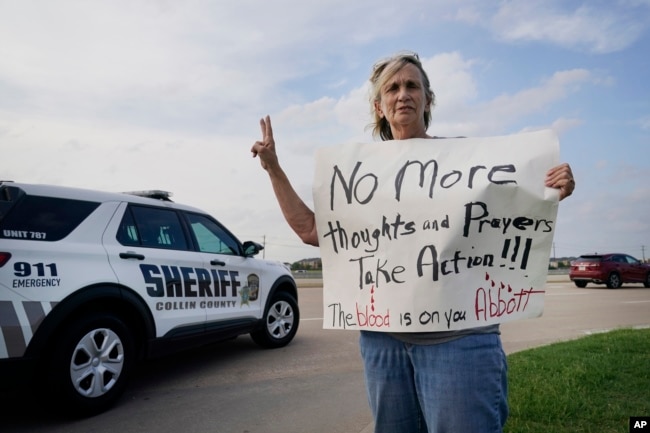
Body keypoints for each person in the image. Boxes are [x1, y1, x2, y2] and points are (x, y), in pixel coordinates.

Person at [251, 51, 575, 433]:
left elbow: (517, 204)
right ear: (379, 106)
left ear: (427, 99)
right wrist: (274, 168)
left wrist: (553, 187)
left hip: (460, 341)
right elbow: (309, 228)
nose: (402, 94)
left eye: (412, 86)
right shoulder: (359, 178)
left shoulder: (467, 163)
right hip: (382, 344)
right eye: (392, 88)